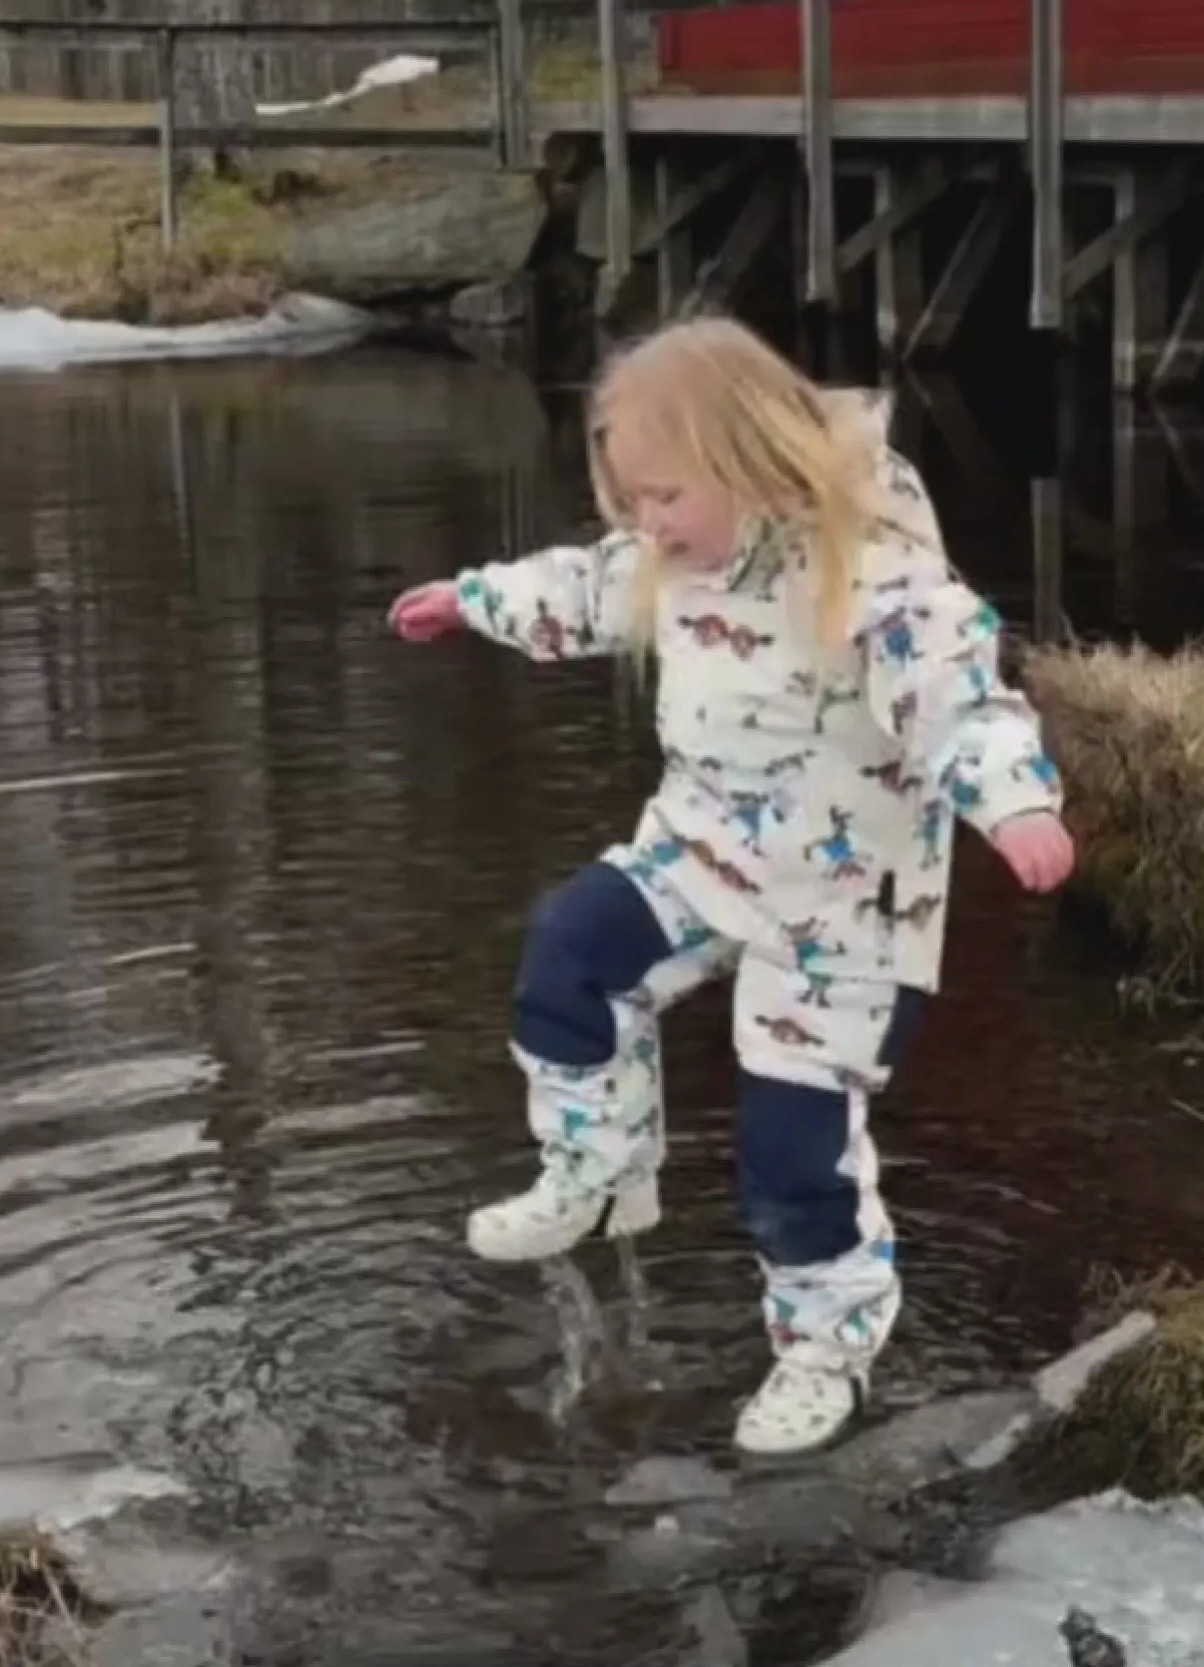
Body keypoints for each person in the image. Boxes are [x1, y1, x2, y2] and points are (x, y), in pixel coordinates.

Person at [388, 319, 1075, 1457]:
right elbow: (586, 585)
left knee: (790, 1147)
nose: (646, 524)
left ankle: (823, 1349)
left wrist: (1013, 801)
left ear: (746, 456)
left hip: (844, 908)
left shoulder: (874, 565)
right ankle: (598, 1167)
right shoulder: (666, 553)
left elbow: (960, 692)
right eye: (630, 499)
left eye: (663, 495)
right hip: (701, 852)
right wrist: (475, 599)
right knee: (570, 952)